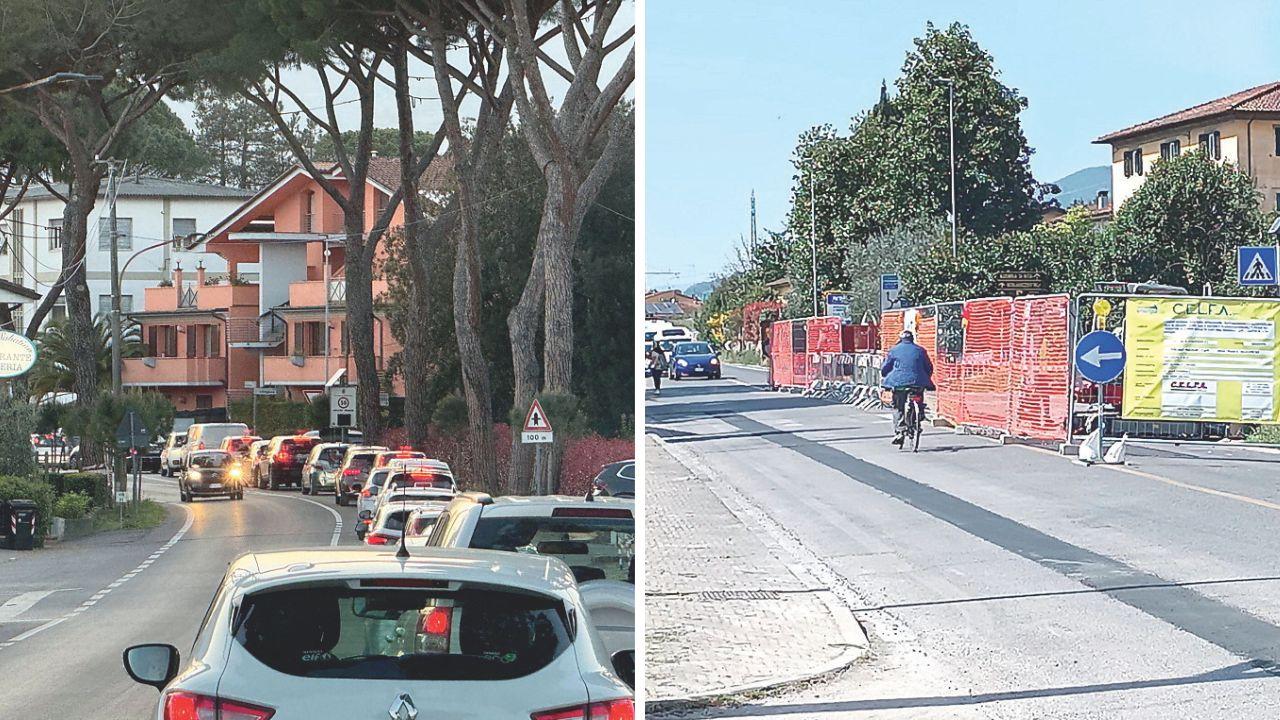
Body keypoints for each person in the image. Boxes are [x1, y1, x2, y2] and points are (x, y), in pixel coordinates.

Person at [880, 329, 935, 446]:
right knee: (918, 398)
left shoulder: (894, 350)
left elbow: (885, 368)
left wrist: (885, 376)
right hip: (917, 383)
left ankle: (900, 431)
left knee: (898, 406)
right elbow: (929, 367)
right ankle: (917, 417)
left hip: (899, 383)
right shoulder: (920, 350)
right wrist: (925, 378)